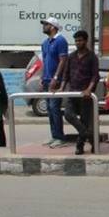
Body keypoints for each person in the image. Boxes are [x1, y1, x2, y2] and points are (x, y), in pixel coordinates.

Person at [61, 30, 100, 155]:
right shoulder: (71, 56)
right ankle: (88, 135)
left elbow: (95, 76)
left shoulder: (92, 57)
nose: (78, 43)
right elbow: (66, 74)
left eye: (80, 40)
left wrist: (89, 89)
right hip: (72, 93)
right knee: (68, 115)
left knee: (84, 120)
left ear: (85, 41)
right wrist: (61, 88)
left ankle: (80, 145)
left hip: (85, 95)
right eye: (76, 41)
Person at [40, 16, 69, 149]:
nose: (43, 26)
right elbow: (44, 61)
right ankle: (54, 135)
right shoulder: (45, 43)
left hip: (55, 81)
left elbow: (63, 60)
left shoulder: (61, 40)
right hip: (46, 79)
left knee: (54, 108)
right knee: (49, 110)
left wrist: (56, 78)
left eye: (46, 24)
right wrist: (42, 77)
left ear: (52, 27)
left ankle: (60, 137)